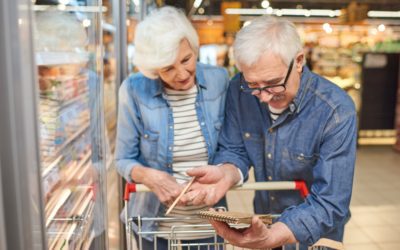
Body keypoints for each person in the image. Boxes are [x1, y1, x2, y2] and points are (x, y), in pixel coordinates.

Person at [182, 16, 357, 249]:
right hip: (264, 224)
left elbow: (331, 202)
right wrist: (227, 172)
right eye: (253, 84)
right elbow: (235, 149)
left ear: (298, 61)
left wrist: (275, 235)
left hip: (318, 235)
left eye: (273, 83)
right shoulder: (238, 90)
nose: (264, 97)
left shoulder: (335, 110)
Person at [114, 6, 233, 250]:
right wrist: (150, 176)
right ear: (153, 69)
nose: (181, 74)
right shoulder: (134, 90)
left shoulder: (219, 80)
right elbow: (123, 159)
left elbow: (232, 147)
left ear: (193, 47)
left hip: (210, 223)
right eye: (168, 68)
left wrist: (220, 173)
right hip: (154, 224)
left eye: (186, 60)